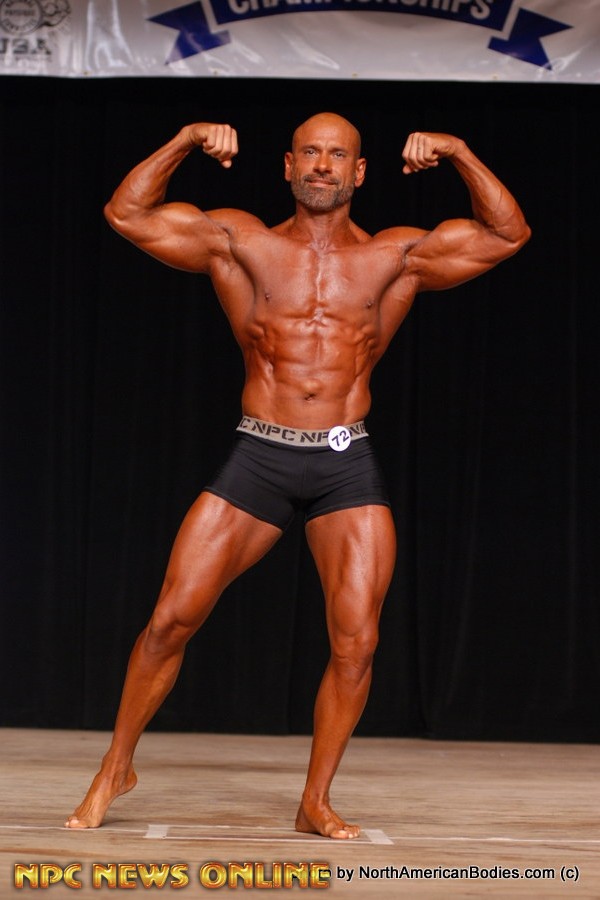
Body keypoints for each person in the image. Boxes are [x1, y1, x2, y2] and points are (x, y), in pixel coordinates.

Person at [65, 113, 530, 839]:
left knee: (357, 642)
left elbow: (507, 234)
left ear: (359, 172)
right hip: (260, 454)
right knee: (170, 619)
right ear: (287, 165)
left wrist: (461, 152)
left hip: (345, 461)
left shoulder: (394, 257)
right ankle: (115, 766)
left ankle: (315, 799)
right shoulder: (241, 243)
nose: (322, 165)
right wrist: (185, 140)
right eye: (310, 152)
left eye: (337, 155)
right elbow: (127, 213)